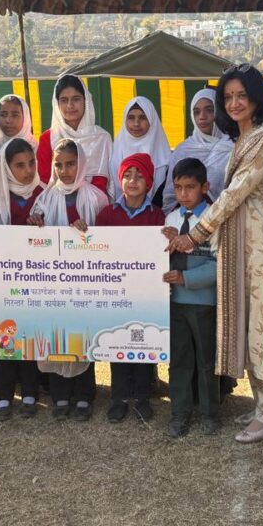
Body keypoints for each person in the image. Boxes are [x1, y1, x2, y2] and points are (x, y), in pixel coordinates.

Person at [168, 65, 263, 444]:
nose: (234, 103)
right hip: (243, 249)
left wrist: (196, 234)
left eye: (241, 95)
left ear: (257, 97)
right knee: (251, 325)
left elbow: (235, 192)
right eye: (227, 97)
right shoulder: (243, 137)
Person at [29, 139, 108, 421]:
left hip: (86, 281)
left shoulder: (96, 197)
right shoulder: (45, 197)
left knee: (82, 336)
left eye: (71, 164)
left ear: (81, 163)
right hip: (53, 282)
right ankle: (60, 395)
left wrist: (87, 232)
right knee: (56, 336)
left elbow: (108, 238)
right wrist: (36, 224)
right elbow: (34, 236)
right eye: (59, 165)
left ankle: (85, 395)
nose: (64, 171)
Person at [95, 153, 166, 423]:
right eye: (127, 175)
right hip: (115, 292)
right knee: (118, 343)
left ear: (149, 183)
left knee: (144, 343)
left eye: (139, 176)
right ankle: (120, 398)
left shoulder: (157, 215)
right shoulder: (107, 214)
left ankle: (143, 398)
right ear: (119, 179)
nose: (132, 181)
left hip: (146, 294)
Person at [0, 137, 45, 420]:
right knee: (1, 333)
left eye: (31, 163)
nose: (28, 171)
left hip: (34, 280)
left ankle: (30, 392)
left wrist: (41, 228)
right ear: (6, 168)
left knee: (29, 333)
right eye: (19, 165)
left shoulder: (44, 193)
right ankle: (3, 396)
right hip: (2, 281)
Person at [162, 158, 219, 438]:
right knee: (179, 359)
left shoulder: (213, 219)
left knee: (207, 361)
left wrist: (187, 278)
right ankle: (179, 413)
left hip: (204, 302)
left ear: (204, 187)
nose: (183, 194)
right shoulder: (171, 219)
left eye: (190, 187)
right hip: (175, 303)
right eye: (178, 187)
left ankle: (210, 413)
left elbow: (219, 265)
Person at [35, 74, 111, 194]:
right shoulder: (48, 138)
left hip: (97, 202)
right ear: (57, 104)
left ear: (86, 100)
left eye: (76, 99)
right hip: (56, 202)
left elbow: (105, 181)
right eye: (64, 100)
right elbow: (44, 181)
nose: (70, 106)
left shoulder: (102, 138)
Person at [162, 89, 232, 211]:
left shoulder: (232, 146)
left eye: (209, 110)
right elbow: (170, 195)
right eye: (196, 112)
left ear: (220, 112)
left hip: (225, 215)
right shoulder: (182, 150)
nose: (202, 117)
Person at [109, 97, 171, 201]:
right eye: (131, 118)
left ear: (151, 120)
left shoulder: (165, 157)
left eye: (143, 118)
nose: (136, 123)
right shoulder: (113, 151)